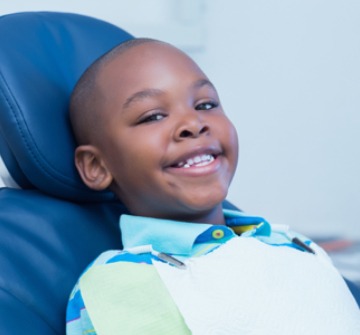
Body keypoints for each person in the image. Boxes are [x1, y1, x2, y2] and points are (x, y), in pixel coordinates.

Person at [66, 38, 360, 335]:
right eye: (153, 116)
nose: (193, 123)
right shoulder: (121, 283)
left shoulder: (292, 243)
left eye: (205, 104)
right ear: (97, 166)